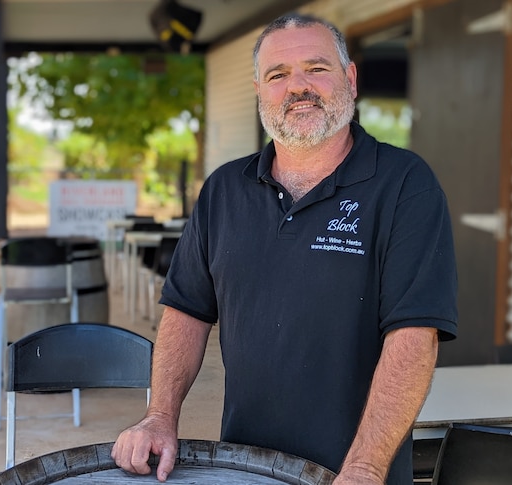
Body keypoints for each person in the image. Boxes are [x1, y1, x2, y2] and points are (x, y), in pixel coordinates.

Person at [112, 13, 458, 485]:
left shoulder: (404, 185)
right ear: (260, 91)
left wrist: (366, 467)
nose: (298, 87)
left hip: (352, 474)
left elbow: (415, 337)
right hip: (244, 469)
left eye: (316, 68)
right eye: (278, 75)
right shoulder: (223, 190)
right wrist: (159, 416)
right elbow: (186, 311)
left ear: (350, 79)